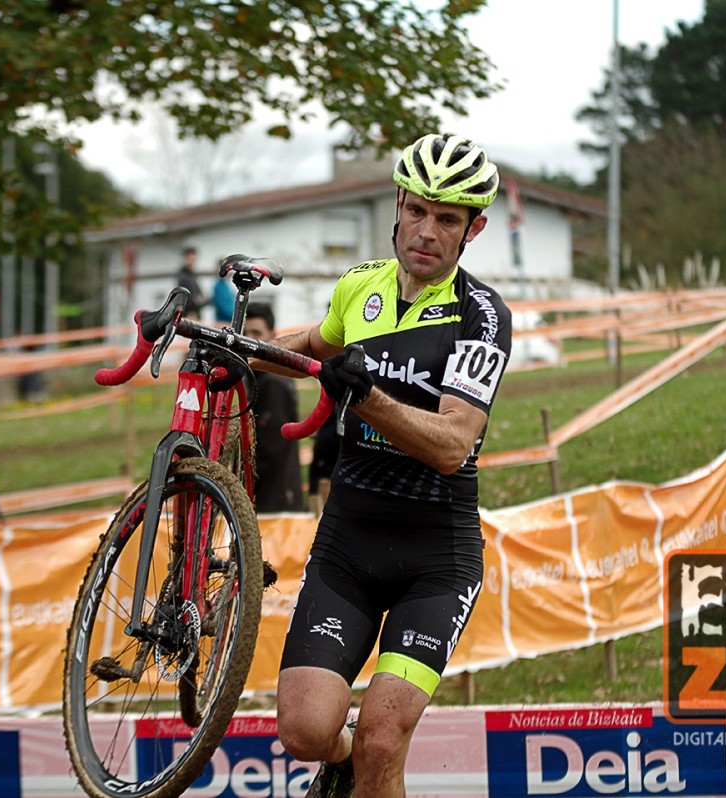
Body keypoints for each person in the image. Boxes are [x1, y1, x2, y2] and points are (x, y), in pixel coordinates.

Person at [259, 133, 512, 797]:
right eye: (418, 210)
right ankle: (338, 766)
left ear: (473, 228)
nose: (427, 231)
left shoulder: (480, 316)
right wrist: (232, 352)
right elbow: (312, 345)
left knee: (380, 739)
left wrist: (367, 398)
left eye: (449, 219)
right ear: (397, 205)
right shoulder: (359, 288)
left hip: (435, 557)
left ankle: (364, 764)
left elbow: (453, 442)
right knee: (307, 733)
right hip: (349, 545)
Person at [243, 303, 306, 513]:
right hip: (272, 498)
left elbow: (270, 450)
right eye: (245, 333)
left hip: (276, 502)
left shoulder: (272, 383)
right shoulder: (257, 378)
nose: (249, 339)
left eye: (256, 333)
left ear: (273, 335)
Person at [175, 246, 208, 319]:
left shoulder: (192, 275)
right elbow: (187, 299)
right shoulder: (183, 277)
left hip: (195, 314)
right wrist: (197, 301)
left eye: (194, 259)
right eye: (191, 259)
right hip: (190, 315)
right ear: (185, 259)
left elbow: (200, 295)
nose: (193, 262)